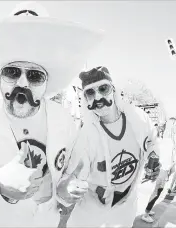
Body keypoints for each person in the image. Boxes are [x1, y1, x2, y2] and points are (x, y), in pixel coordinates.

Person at [0, 2, 102, 227]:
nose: (22, 83)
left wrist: (66, 190)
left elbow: (68, 177)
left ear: (47, 83)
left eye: (34, 76)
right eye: (12, 72)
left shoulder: (64, 120)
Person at [57, 66, 161, 227]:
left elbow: (152, 142)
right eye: (90, 93)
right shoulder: (86, 136)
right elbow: (71, 178)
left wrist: (153, 157)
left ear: (113, 89)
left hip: (126, 207)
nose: (98, 97)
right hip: (91, 212)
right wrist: (66, 188)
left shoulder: (138, 119)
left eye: (103, 88)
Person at [141, 117, 176, 223]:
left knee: (157, 191)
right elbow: (168, 157)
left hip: (164, 169)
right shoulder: (166, 141)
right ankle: (146, 213)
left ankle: (148, 209)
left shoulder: (166, 141)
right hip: (163, 169)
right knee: (157, 191)